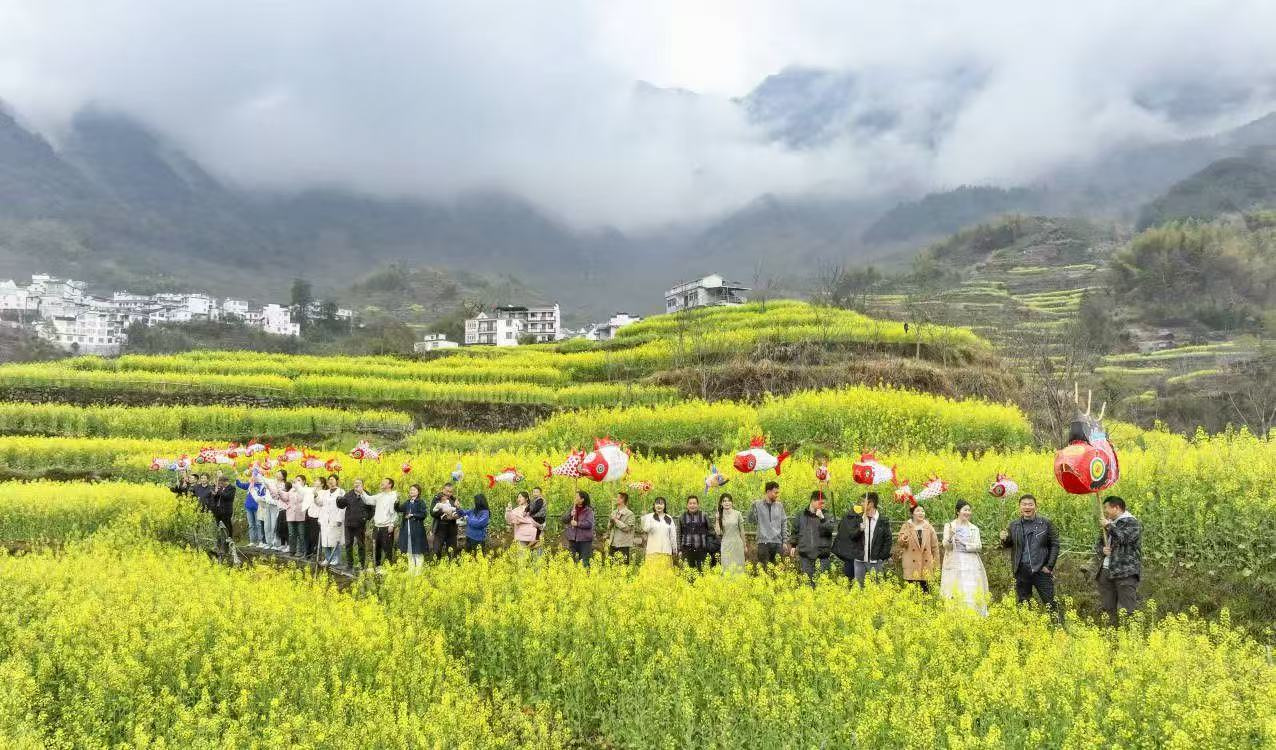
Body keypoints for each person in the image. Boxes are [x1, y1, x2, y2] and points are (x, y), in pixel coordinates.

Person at [1000, 494, 1062, 622]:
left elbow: (1055, 544)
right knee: (1023, 603)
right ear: (1019, 507)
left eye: (1030, 504)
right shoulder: (1014, 525)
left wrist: (1049, 566)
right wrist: (1004, 539)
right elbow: (1008, 545)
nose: (1027, 507)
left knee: (1051, 602)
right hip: (1021, 570)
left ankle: (1060, 629)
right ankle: (1026, 630)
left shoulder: (1045, 523)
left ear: (1036, 506)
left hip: (1041, 570)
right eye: (1024, 504)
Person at [1094, 496, 1141, 627]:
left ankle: (1128, 640)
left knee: (1126, 610)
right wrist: (1102, 549)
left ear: (1116, 508)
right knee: (1108, 608)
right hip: (1106, 570)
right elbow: (1098, 545)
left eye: (1107, 508)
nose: (1105, 511)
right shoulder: (1109, 523)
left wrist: (1109, 526)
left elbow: (1123, 538)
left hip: (1124, 572)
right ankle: (1111, 638)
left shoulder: (1132, 522)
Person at [940, 499, 989, 615]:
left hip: (971, 563)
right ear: (958, 511)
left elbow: (979, 546)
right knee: (955, 589)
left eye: (969, 510)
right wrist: (950, 537)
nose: (967, 513)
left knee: (971, 590)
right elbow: (946, 546)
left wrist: (964, 543)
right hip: (954, 562)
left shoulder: (974, 528)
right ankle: (956, 616)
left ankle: (974, 615)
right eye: (965, 510)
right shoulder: (949, 526)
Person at [832, 492, 892, 586]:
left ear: (871, 504)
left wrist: (881, 557)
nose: (861, 504)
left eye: (863, 501)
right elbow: (852, 537)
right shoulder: (858, 518)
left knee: (877, 588)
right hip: (859, 560)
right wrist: (859, 530)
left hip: (875, 561)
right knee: (859, 587)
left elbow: (888, 540)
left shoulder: (882, 521)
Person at [791, 490, 837, 585]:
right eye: (821, 503)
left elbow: (830, 528)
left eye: (824, 503)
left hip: (822, 556)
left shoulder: (827, 515)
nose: (823, 505)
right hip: (805, 556)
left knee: (822, 585)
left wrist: (822, 518)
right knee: (807, 585)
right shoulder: (801, 515)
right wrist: (793, 545)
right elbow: (795, 530)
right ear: (812, 501)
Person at [896, 503, 940, 593]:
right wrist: (903, 539)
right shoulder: (906, 526)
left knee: (925, 593)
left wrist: (936, 566)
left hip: (926, 564)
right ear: (912, 514)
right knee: (912, 594)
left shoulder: (929, 528)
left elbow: (935, 548)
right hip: (911, 565)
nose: (921, 513)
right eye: (918, 511)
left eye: (923, 511)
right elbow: (900, 544)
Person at [336, 478, 375, 570]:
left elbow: (372, 509)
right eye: (355, 483)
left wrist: (366, 518)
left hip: (360, 524)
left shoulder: (367, 494)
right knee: (348, 544)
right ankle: (350, 564)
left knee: (361, 545)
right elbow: (342, 505)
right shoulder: (349, 494)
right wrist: (339, 500)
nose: (356, 485)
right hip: (349, 523)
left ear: (362, 485)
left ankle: (362, 564)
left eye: (359, 483)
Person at [747, 481, 787, 572]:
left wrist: (784, 541)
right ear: (768, 492)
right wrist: (752, 507)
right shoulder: (758, 505)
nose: (777, 495)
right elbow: (751, 521)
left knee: (778, 571)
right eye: (775, 492)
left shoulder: (780, 506)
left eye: (778, 492)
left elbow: (784, 523)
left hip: (777, 543)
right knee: (764, 571)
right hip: (763, 543)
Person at [367, 477, 400, 571]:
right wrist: (361, 492)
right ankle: (377, 566)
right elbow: (368, 500)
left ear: (390, 485)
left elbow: (394, 512)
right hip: (377, 526)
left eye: (384, 482)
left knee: (387, 547)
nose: (381, 483)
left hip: (387, 526)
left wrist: (392, 524)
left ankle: (388, 567)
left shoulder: (393, 496)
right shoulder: (380, 495)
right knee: (377, 547)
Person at [396, 484, 429, 569]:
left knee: (418, 551)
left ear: (418, 492)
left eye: (414, 490)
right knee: (409, 551)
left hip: (417, 530)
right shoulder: (407, 502)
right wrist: (397, 501)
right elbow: (399, 509)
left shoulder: (420, 502)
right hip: (407, 530)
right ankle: (411, 571)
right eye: (410, 490)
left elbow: (423, 514)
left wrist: (412, 515)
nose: (412, 491)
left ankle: (418, 571)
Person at [678, 495, 714, 572]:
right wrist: (680, 550)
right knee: (688, 574)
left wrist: (710, 547)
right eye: (690, 503)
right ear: (687, 505)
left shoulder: (704, 515)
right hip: (687, 550)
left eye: (694, 503)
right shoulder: (682, 517)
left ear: (698, 505)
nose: (692, 505)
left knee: (703, 574)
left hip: (702, 550)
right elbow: (679, 534)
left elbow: (711, 531)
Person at [641, 497, 678, 571]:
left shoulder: (669, 518)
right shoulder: (649, 517)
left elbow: (673, 535)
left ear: (664, 506)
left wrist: (674, 549)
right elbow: (646, 529)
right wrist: (645, 516)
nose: (659, 506)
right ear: (654, 505)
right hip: (653, 551)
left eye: (661, 504)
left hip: (666, 551)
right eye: (657, 503)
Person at [315, 474, 345, 567]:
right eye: (329, 480)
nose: (330, 481)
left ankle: (336, 559)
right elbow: (320, 504)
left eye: (332, 479)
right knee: (326, 540)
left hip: (335, 520)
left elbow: (343, 507)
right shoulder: (325, 492)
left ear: (337, 481)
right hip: (325, 520)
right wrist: (315, 497)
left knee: (336, 540)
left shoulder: (341, 492)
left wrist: (339, 519)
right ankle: (327, 558)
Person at [269, 479, 303, 556]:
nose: (296, 483)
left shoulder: (303, 491)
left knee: (300, 533)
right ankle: (292, 550)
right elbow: (285, 498)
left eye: (298, 480)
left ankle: (300, 551)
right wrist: (279, 492)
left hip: (300, 515)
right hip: (290, 514)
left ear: (303, 481)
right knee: (291, 533)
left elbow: (301, 499)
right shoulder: (291, 491)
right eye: (295, 481)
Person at [235, 473, 270, 548]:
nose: (255, 478)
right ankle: (252, 541)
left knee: (258, 524)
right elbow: (240, 485)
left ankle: (260, 541)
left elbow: (264, 497)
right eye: (254, 477)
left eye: (257, 477)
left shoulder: (262, 486)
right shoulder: (250, 485)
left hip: (258, 508)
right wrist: (237, 478)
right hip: (249, 507)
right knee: (251, 525)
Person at [562, 490, 595, 567]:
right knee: (571, 561)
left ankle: (584, 577)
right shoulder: (572, 508)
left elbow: (589, 524)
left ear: (582, 499)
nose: (575, 498)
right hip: (572, 538)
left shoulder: (589, 510)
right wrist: (570, 514)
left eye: (577, 497)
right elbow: (564, 520)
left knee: (584, 562)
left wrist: (577, 524)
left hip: (585, 540)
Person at [715, 494, 746, 574]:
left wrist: (744, 545)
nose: (727, 503)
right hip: (726, 545)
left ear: (732, 502)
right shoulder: (720, 515)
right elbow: (718, 533)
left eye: (729, 500)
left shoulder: (737, 514)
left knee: (739, 568)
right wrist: (717, 519)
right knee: (726, 568)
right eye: (724, 501)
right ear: (721, 504)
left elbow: (742, 531)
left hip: (737, 545)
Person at [431, 482, 461, 561]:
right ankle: (436, 567)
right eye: (447, 491)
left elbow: (459, 513)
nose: (449, 493)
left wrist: (457, 508)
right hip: (440, 528)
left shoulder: (454, 499)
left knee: (452, 552)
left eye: (451, 492)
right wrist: (444, 512)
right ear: (443, 489)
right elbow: (432, 512)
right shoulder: (437, 498)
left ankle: (452, 569)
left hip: (452, 529)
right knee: (436, 551)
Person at [608, 491, 638, 563]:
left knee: (623, 567)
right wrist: (612, 521)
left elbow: (627, 528)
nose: (615, 499)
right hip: (613, 543)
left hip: (623, 544)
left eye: (617, 498)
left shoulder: (630, 514)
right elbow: (608, 527)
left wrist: (616, 520)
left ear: (622, 499)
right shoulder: (614, 512)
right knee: (611, 567)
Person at [208, 474, 236, 549]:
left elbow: (228, 497)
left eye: (221, 483)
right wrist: (215, 494)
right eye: (220, 483)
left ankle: (229, 537)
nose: (220, 484)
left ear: (225, 482)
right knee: (218, 526)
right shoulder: (221, 488)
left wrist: (219, 492)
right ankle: (221, 540)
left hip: (226, 510)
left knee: (227, 524)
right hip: (218, 510)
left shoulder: (232, 488)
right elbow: (217, 498)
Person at [303, 476, 322, 558]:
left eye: (317, 481)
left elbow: (320, 504)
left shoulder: (324, 492)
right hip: (308, 514)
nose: (314, 482)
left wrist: (315, 495)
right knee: (307, 535)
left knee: (315, 536)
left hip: (317, 516)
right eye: (314, 480)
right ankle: (307, 552)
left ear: (322, 483)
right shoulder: (310, 491)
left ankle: (315, 553)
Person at [528, 486, 549, 554]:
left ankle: (538, 554)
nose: (535, 493)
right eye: (534, 492)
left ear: (540, 493)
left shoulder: (540, 500)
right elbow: (529, 507)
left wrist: (529, 513)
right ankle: (533, 550)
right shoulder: (533, 500)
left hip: (539, 519)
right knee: (534, 536)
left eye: (537, 492)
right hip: (535, 520)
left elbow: (536, 509)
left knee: (538, 537)